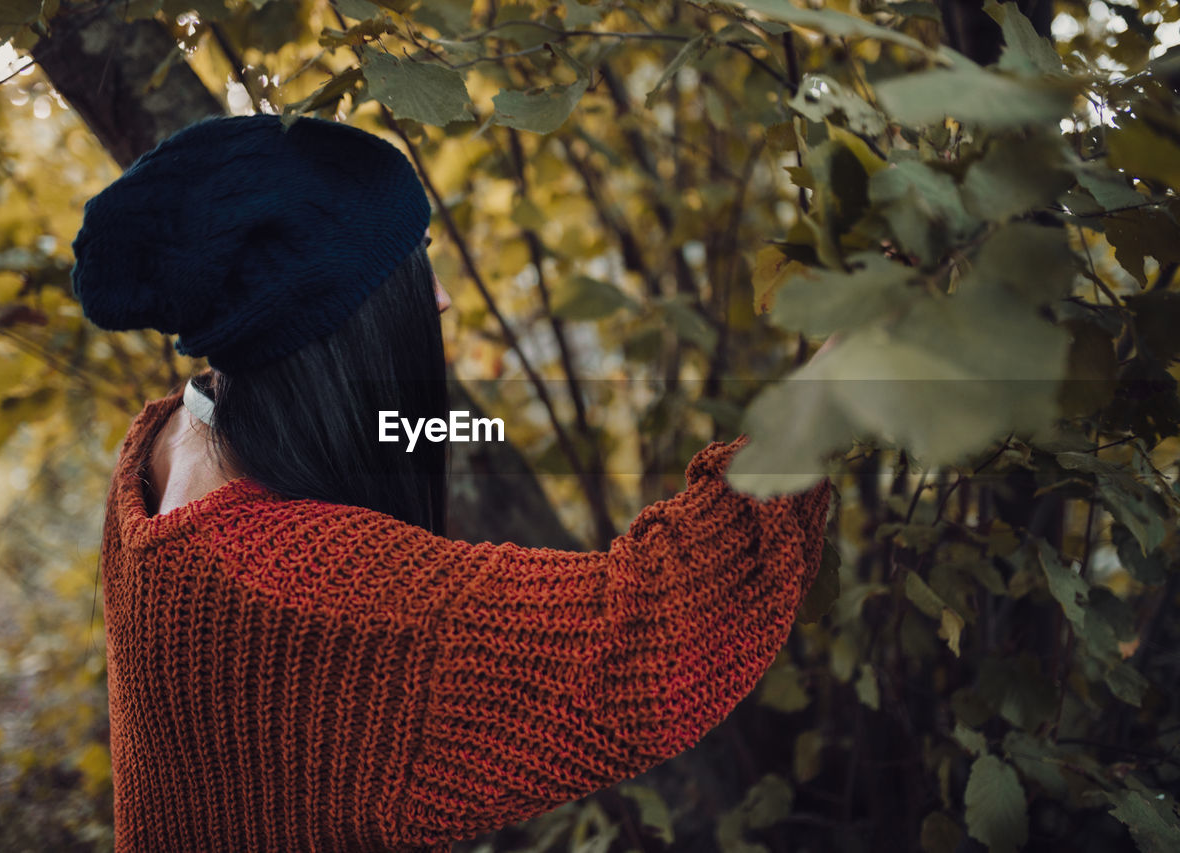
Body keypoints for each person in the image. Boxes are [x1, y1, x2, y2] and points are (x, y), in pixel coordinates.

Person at [70, 113, 832, 853]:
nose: (439, 297)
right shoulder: (322, 592)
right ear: (340, 322)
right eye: (413, 259)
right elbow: (652, 630)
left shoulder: (157, 451)